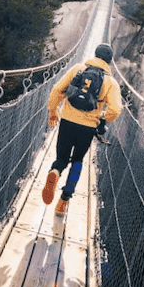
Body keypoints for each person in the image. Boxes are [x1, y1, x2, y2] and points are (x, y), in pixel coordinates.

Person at [42, 42, 122, 215]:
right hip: (87, 128)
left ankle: (55, 171)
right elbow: (115, 110)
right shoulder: (111, 82)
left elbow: (57, 90)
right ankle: (63, 201)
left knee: (62, 157)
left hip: (67, 121)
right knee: (77, 162)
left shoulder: (78, 69)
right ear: (109, 61)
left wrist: (53, 112)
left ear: (94, 54)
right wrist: (102, 118)